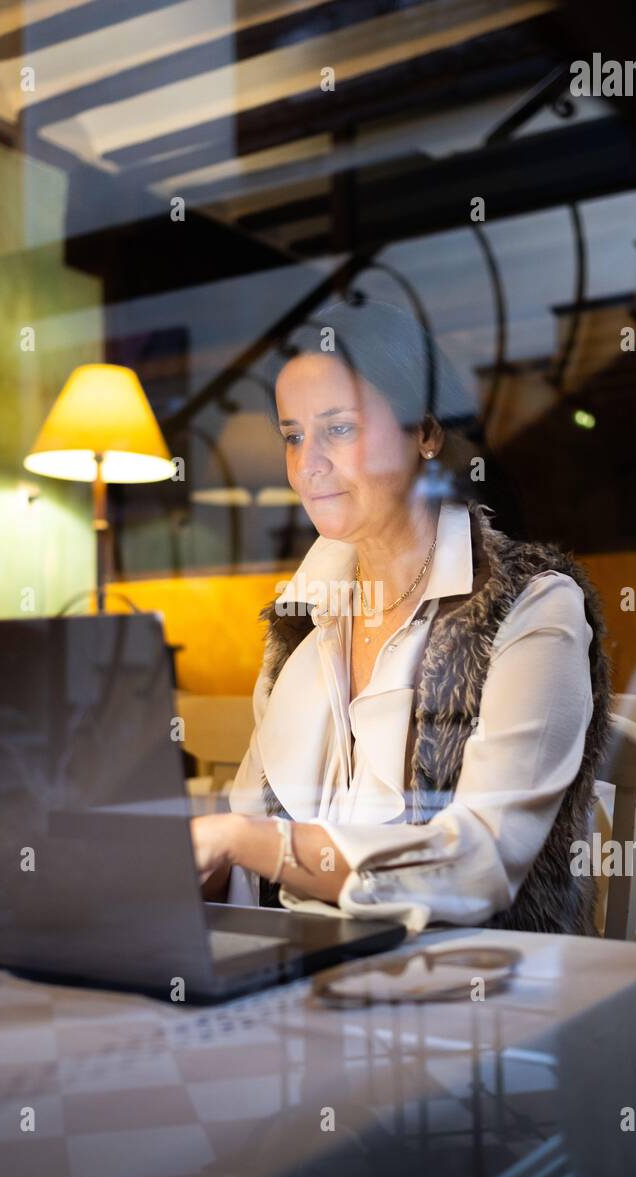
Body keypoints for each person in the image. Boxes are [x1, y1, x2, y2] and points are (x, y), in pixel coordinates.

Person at [190, 297, 611, 934]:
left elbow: (478, 866)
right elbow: (243, 866)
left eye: (338, 428)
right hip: (305, 984)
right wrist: (170, 865)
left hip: (469, 993)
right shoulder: (300, 627)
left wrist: (244, 839)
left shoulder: (533, 607)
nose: (308, 465)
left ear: (427, 432)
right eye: (292, 436)